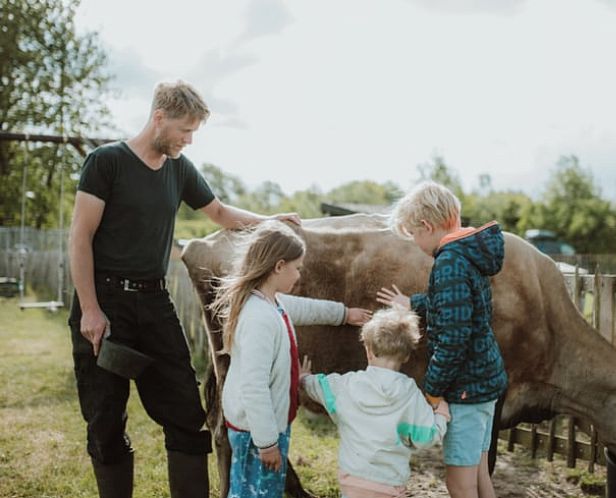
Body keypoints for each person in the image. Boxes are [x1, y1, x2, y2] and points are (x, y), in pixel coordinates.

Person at [68, 80, 300, 498]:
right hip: (105, 303)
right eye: (184, 130)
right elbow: (80, 237)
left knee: (186, 415)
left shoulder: (178, 168)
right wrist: (90, 309)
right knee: (104, 420)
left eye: (194, 132)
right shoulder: (107, 162)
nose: (188, 140)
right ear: (159, 118)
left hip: (154, 302)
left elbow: (219, 212)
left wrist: (270, 221)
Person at [211, 220, 372, 498]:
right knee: (255, 493)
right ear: (278, 266)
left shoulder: (270, 302)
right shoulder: (259, 318)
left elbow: (305, 309)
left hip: (264, 426)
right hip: (256, 432)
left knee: (260, 490)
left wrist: (344, 314)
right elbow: (254, 386)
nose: (299, 275)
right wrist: (267, 443)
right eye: (297, 268)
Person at [375, 181, 507, 498]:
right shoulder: (468, 253)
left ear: (427, 226)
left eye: (414, 234)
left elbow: (452, 340)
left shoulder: (448, 262)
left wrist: (432, 392)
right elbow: (463, 305)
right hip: (485, 384)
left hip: (465, 393)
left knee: (460, 485)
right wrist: (415, 304)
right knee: (479, 477)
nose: (416, 242)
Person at [300, 307, 450, 498]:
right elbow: (427, 436)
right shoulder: (409, 393)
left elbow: (320, 386)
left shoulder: (348, 384)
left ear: (368, 351)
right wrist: (441, 415)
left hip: (352, 481)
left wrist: (304, 379)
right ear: (406, 356)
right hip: (390, 485)